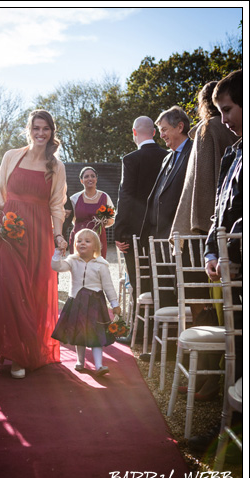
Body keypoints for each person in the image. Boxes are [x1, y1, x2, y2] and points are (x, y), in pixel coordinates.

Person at [0, 109, 67, 379]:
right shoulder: (11, 157)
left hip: (40, 233)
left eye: (46, 128)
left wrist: (58, 235)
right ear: (28, 130)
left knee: (34, 292)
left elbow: (57, 205)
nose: (41, 133)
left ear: (51, 131)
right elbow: (0, 193)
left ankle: (30, 348)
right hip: (10, 232)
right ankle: (17, 354)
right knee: (12, 289)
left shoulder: (56, 166)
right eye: (36, 128)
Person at [189, 70, 243, 453]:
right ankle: (232, 425)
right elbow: (220, 213)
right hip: (230, 263)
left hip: (240, 257)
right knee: (238, 347)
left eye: (228, 110)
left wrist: (233, 247)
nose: (224, 119)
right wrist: (212, 250)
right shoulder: (233, 152)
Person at [139, 106, 193, 362]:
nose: (161, 135)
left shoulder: (194, 152)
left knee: (180, 293)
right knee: (164, 292)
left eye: (164, 130)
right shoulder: (167, 157)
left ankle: (181, 349)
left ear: (180, 127)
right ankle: (166, 350)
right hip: (161, 237)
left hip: (181, 236)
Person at [114, 116, 168, 343]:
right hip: (165, 231)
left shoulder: (131, 159)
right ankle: (164, 333)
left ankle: (139, 335)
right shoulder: (169, 156)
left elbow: (125, 196)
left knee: (138, 281)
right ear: (154, 133)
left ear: (134, 133)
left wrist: (119, 231)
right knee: (163, 280)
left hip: (136, 233)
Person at [170, 81, 238, 239]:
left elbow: (202, 179)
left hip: (213, 221)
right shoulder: (229, 126)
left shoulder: (208, 127)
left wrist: (201, 220)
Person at [52, 229, 120, 376]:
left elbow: (108, 286)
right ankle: (80, 361)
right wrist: (58, 252)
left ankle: (99, 365)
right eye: (79, 241)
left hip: (95, 303)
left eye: (87, 241)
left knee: (96, 334)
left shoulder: (101, 265)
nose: (82, 243)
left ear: (96, 247)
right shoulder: (72, 261)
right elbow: (56, 267)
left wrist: (115, 304)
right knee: (79, 332)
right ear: (75, 244)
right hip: (76, 301)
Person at [69, 167, 115, 259]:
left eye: (92, 176)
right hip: (79, 240)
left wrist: (104, 221)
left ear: (96, 179)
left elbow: (112, 219)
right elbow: (72, 220)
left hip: (98, 239)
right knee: (77, 267)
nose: (90, 178)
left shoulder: (105, 197)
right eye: (86, 176)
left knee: (97, 267)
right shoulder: (74, 199)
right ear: (81, 180)